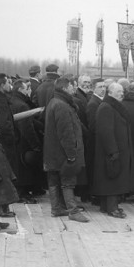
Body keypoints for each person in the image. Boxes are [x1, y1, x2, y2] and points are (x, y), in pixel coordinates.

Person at [43, 76, 89, 222]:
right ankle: (73, 211)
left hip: (53, 152)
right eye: (71, 86)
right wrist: (71, 154)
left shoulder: (54, 102)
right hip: (63, 152)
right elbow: (66, 133)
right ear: (64, 88)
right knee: (68, 181)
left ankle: (56, 208)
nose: (74, 88)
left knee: (54, 179)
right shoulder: (62, 105)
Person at [91, 82, 134, 218]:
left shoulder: (112, 106)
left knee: (113, 179)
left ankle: (107, 206)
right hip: (112, 152)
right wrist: (113, 151)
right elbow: (106, 131)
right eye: (118, 92)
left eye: (122, 91)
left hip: (116, 150)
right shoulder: (106, 107)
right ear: (110, 93)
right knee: (112, 180)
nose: (122, 94)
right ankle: (112, 208)